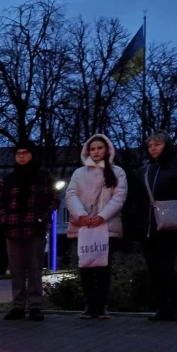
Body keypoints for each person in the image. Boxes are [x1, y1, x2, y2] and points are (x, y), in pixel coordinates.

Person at [125, 132, 177, 321]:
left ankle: (175, 306)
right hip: (147, 228)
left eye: (157, 144)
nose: (153, 148)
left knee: (166, 267)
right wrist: (133, 225)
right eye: (150, 145)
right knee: (153, 269)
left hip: (170, 226)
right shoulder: (144, 171)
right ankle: (161, 306)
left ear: (166, 145)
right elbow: (134, 200)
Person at [0, 139, 58, 321]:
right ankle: (18, 305)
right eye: (18, 153)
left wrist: (41, 219)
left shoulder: (43, 177)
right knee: (16, 270)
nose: (21, 156)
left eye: (25, 153)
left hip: (34, 230)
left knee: (35, 268)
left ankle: (35, 305)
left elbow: (54, 198)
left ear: (31, 155)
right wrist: (5, 219)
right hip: (13, 231)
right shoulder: (8, 179)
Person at [65, 134, 128, 319]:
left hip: (106, 226)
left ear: (107, 149)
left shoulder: (117, 172)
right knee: (85, 266)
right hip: (84, 226)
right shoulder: (79, 173)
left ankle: (102, 305)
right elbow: (71, 195)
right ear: (87, 151)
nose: (96, 152)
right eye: (92, 149)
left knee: (103, 267)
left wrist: (102, 216)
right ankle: (90, 305)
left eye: (99, 148)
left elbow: (119, 197)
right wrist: (82, 216)